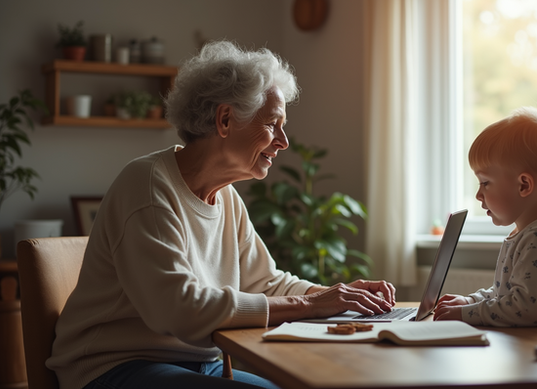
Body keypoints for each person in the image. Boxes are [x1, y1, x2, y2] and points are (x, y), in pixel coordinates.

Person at [47, 40, 396, 389]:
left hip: (194, 364)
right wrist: (310, 305)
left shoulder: (226, 197)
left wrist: (342, 297)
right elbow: (178, 308)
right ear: (225, 119)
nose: (283, 141)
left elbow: (267, 282)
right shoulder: (148, 185)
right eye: (274, 124)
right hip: (113, 368)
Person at [434, 106, 537, 327]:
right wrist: (471, 300)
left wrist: (466, 313)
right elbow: (507, 295)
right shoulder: (527, 234)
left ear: (524, 185)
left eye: (485, 183)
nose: (478, 195)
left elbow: (526, 310)